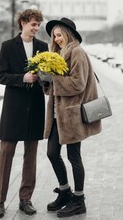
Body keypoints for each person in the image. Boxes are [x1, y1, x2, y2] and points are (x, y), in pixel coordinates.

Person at [0, 9, 48, 219]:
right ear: (23, 22)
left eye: (38, 24)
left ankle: (25, 199)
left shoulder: (43, 47)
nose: (36, 28)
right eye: (34, 24)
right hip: (13, 108)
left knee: (31, 156)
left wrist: (46, 79)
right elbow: (0, 75)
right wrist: (21, 78)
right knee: (5, 154)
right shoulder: (7, 46)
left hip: (35, 106)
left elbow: (46, 77)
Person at [43, 17, 102, 218]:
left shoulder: (77, 52)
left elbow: (78, 83)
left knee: (73, 156)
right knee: (52, 153)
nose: (57, 39)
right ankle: (65, 191)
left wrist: (54, 79)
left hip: (71, 114)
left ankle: (79, 199)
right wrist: (45, 79)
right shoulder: (57, 53)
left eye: (59, 35)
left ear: (68, 34)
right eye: (54, 36)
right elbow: (55, 86)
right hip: (56, 114)